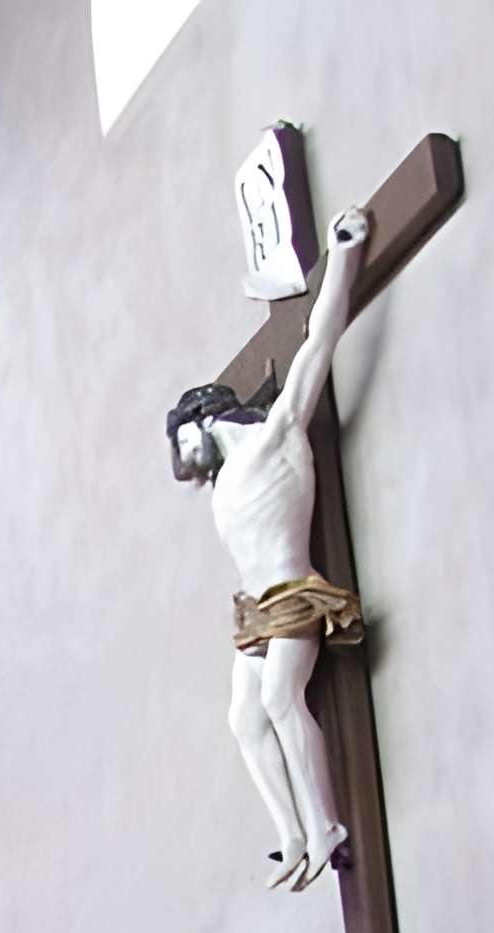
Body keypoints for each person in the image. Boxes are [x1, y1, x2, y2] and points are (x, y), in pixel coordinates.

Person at [167, 206, 372, 891]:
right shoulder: (225, 480)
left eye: (182, 442)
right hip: (255, 609)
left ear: (200, 422)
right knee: (243, 717)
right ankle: (290, 836)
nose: (185, 462)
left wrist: (343, 258)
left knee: (284, 697)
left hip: (293, 591)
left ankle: (326, 826)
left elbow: (319, 342)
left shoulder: (277, 434)